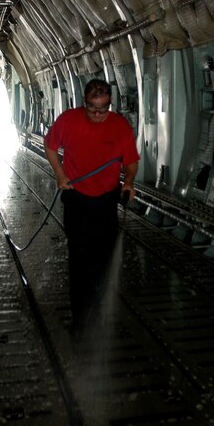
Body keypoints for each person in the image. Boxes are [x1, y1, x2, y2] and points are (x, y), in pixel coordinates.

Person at [44, 78, 140, 330]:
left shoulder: (120, 127)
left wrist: (129, 181)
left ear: (110, 104)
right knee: (79, 257)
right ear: (83, 102)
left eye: (103, 108)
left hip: (106, 201)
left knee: (103, 258)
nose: (97, 114)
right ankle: (80, 318)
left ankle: (99, 311)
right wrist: (59, 173)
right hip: (77, 199)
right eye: (92, 108)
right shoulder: (68, 120)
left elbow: (130, 160)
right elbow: (50, 145)